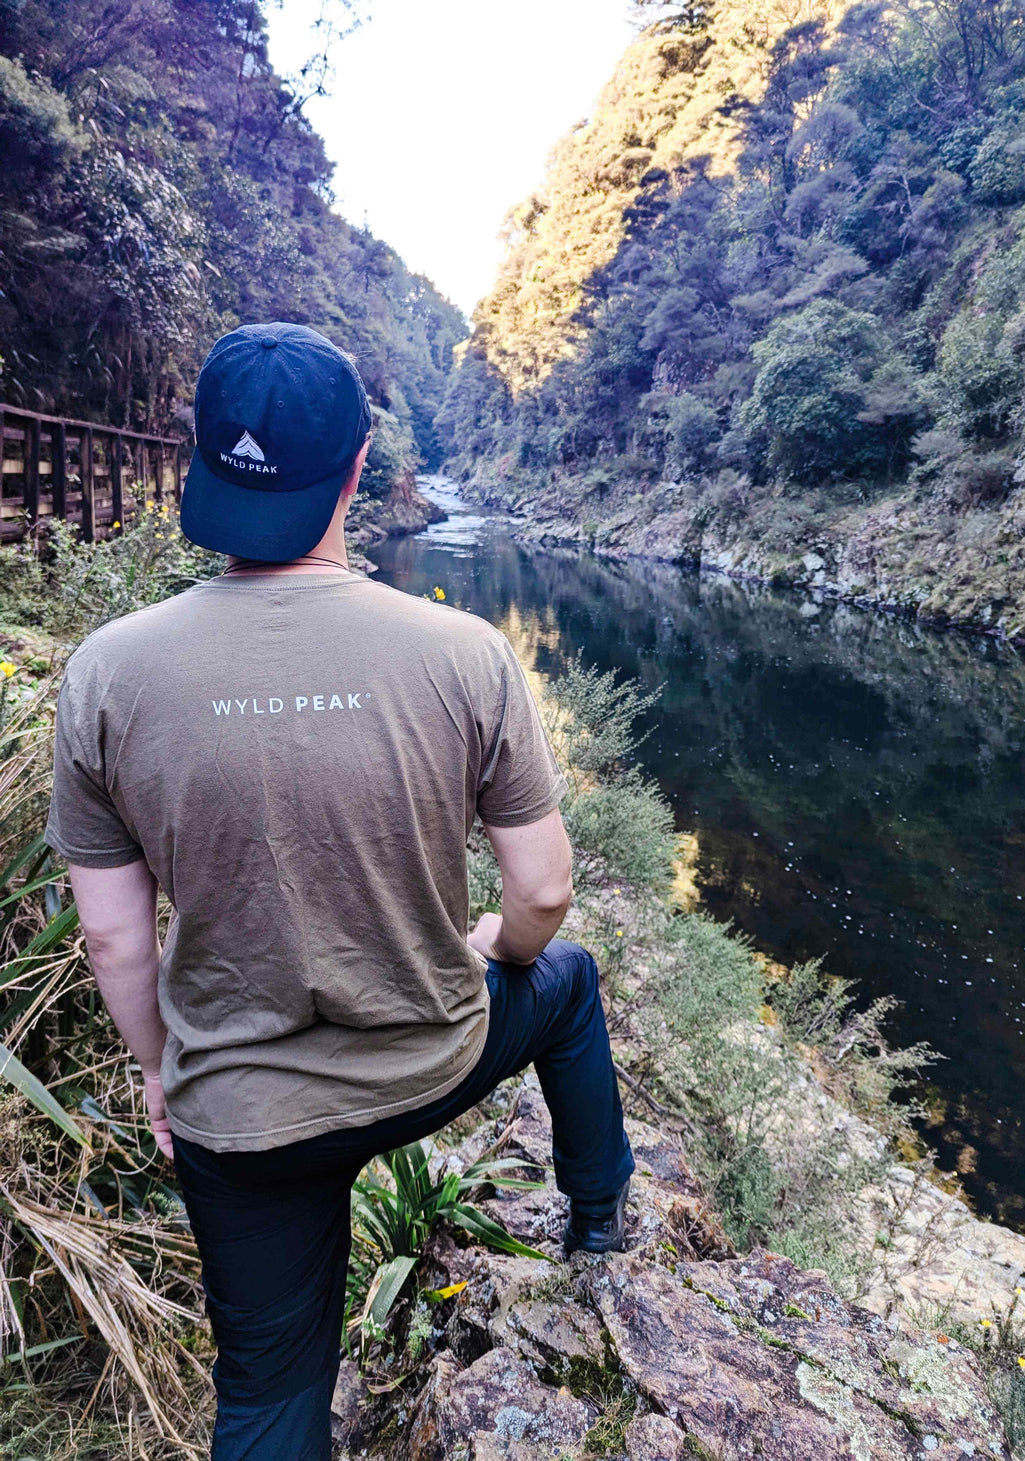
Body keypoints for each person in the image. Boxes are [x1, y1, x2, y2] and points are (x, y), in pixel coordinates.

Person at [44, 321, 635, 1461]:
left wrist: (166, 1079)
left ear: (202, 459)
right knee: (564, 981)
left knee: (267, 1394)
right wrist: (493, 951)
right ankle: (599, 1217)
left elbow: (115, 946)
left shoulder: (106, 672)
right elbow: (546, 892)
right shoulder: (464, 653)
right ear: (359, 471)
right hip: (429, 1061)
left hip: (239, 1121)